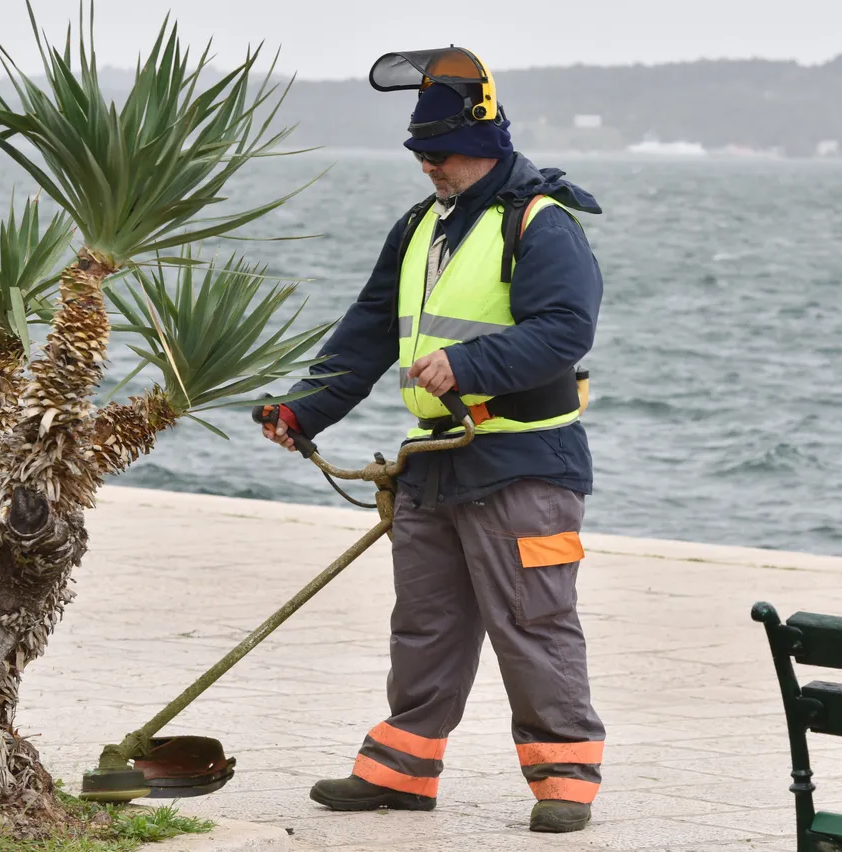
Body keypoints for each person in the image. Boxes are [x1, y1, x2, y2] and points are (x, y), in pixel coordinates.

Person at [257, 48, 606, 834]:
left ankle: (566, 780)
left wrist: (469, 363)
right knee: (425, 623)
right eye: (419, 153)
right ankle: (401, 773)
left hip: (525, 464)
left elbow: (565, 330)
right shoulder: (420, 227)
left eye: (438, 153)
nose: (426, 166)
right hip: (436, 464)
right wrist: (303, 412)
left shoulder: (543, 223)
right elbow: (368, 330)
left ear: (485, 144)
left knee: (535, 624)